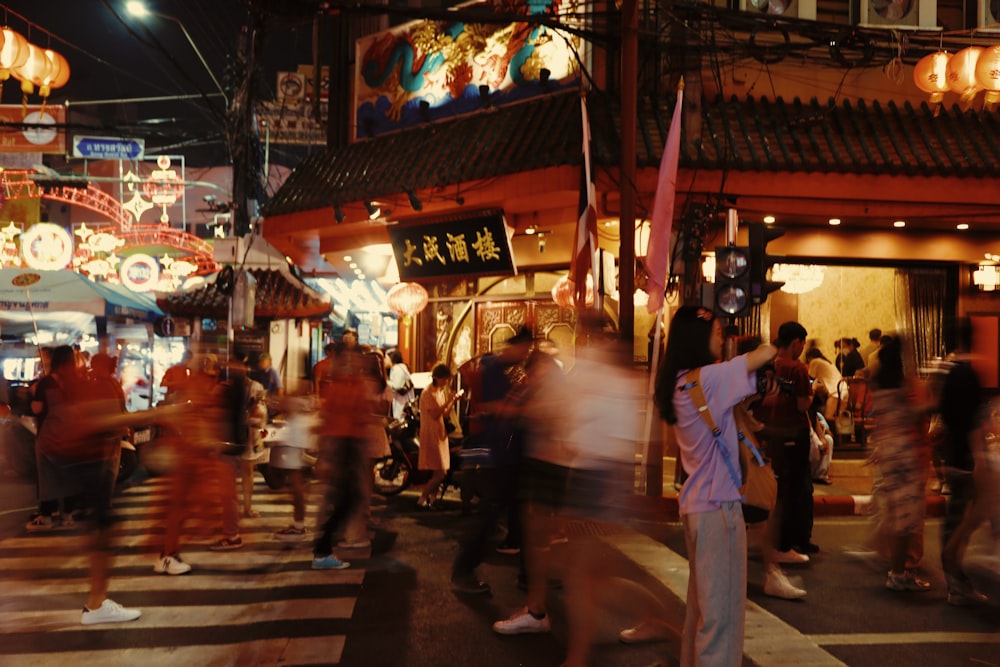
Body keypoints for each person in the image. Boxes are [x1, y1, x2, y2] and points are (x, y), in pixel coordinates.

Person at [652, 306, 776, 667]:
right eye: (718, 332)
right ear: (698, 337)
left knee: (702, 613)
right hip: (719, 511)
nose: (722, 337)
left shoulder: (680, 381)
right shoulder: (709, 378)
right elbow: (767, 352)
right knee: (722, 617)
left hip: (696, 506)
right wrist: (748, 350)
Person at [34, 344, 141, 624]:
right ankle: (96, 604)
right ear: (70, 362)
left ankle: (97, 602)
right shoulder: (69, 384)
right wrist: (152, 416)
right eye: (80, 358)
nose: (85, 362)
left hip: (79, 458)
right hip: (85, 459)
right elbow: (93, 419)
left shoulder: (68, 383)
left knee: (101, 526)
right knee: (103, 530)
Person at [450, 325, 532, 595]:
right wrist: (521, 407)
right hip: (499, 453)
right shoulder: (495, 370)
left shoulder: (496, 368)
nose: (526, 354)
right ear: (517, 347)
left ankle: (529, 574)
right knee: (491, 514)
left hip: (504, 451)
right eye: (525, 348)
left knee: (516, 513)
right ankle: (463, 570)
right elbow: (494, 408)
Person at [867, 336, 933, 593]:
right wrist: (934, 399)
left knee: (896, 514)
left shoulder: (880, 385)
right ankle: (899, 572)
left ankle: (896, 568)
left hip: (889, 451)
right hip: (906, 454)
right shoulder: (905, 387)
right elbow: (916, 413)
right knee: (907, 517)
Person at [311, 341, 377, 570]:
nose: (352, 362)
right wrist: (326, 455)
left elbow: (361, 417)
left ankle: (323, 545)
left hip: (350, 446)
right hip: (342, 447)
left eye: (355, 358)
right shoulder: (339, 385)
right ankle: (322, 547)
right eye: (348, 358)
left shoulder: (354, 384)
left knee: (344, 499)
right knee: (346, 499)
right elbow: (328, 420)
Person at [938, 318, 990, 606]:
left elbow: (944, 414)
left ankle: (954, 577)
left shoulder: (949, 372)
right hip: (966, 456)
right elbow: (971, 421)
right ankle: (956, 577)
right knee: (964, 519)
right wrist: (979, 457)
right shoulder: (970, 375)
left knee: (955, 517)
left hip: (951, 452)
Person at [757, 321, 818, 560]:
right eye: (801, 344)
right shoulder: (798, 369)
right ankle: (786, 544)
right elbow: (802, 404)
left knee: (776, 489)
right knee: (794, 490)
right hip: (793, 433)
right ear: (796, 343)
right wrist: (815, 396)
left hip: (768, 432)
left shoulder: (766, 364)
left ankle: (776, 540)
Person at [416, 363, 463, 508]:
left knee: (439, 470)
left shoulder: (439, 392)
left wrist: (453, 401)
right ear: (437, 378)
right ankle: (422, 498)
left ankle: (433, 500)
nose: (446, 382)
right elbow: (435, 414)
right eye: (445, 379)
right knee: (441, 472)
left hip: (440, 434)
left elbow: (444, 414)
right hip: (431, 435)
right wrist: (449, 400)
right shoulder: (427, 393)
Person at [386, 348, 415, 420]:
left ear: (391, 358)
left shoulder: (396, 369)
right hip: (405, 402)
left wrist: (386, 382)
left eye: (386, 358)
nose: (384, 360)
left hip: (402, 404)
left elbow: (397, 385)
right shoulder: (401, 368)